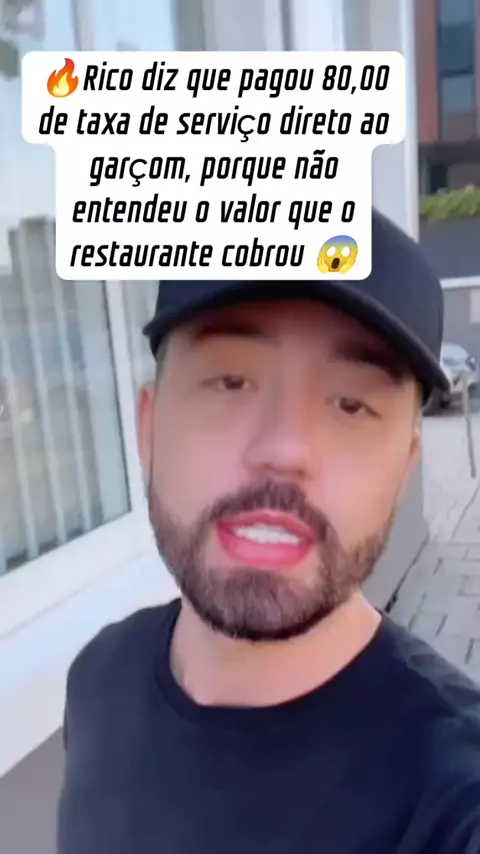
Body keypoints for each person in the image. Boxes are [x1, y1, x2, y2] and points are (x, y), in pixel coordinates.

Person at [58, 210, 480, 854]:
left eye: (351, 404)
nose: (284, 449)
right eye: (231, 381)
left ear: (404, 468)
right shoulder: (97, 680)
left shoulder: (453, 795)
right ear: (149, 429)